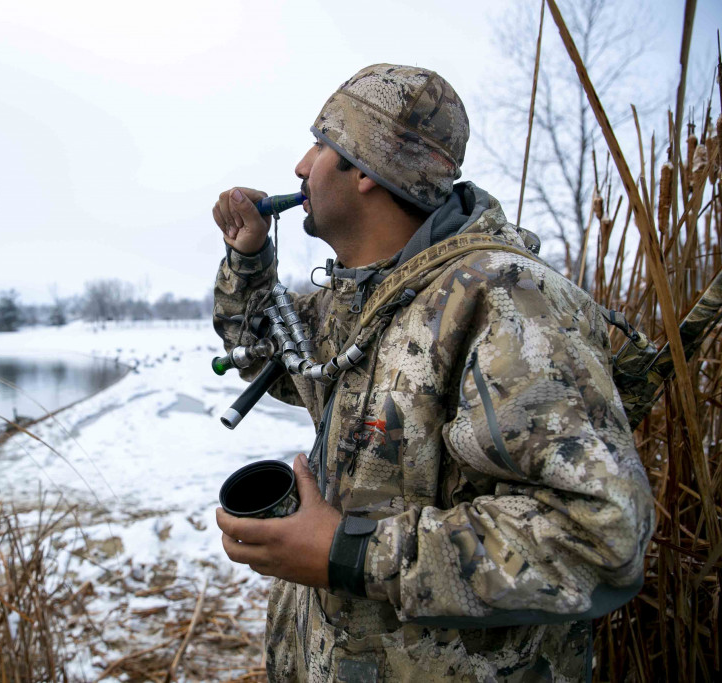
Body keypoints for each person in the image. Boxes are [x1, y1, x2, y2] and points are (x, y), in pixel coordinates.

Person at [211, 64, 654, 681]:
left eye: (320, 144)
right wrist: (248, 255)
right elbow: (260, 355)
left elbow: (601, 536)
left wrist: (347, 551)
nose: (299, 167)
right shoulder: (362, 298)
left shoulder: (504, 300)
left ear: (365, 169)